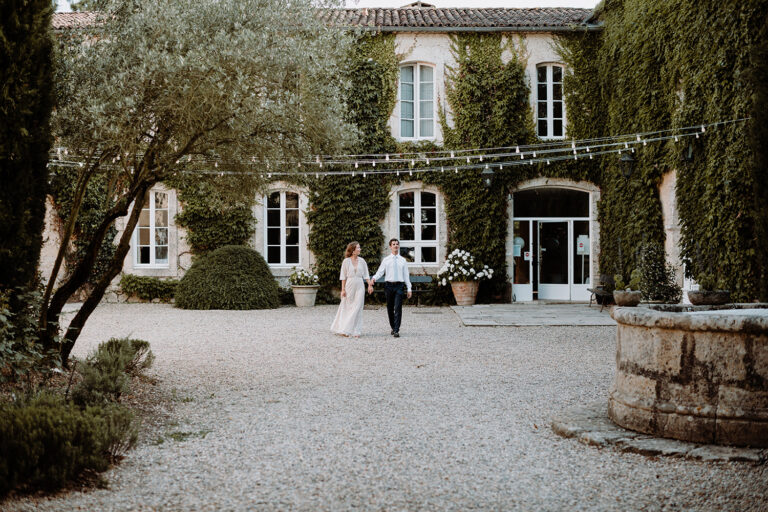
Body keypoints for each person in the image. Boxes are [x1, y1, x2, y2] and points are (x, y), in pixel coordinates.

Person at [369, 238, 411, 337]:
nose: (395, 245)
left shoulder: (403, 261)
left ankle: (396, 330)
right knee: (390, 308)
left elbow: (406, 276)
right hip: (389, 286)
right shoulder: (386, 260)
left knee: (398, 308)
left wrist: (409, 288)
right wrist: (374, 278)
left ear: (399, 246)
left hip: (399, 286)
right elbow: (380, 271)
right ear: (390, 247)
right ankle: (393, 327)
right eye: (393, 244)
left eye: (397, 244)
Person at [330, 241, 370, 338]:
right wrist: (343, 289)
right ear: (353, 250)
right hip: (349, 285)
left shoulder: (362, 261)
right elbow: (343, 276)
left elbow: (366, 275)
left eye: (359, 247)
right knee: (347, 306)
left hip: (360, 284)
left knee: (358, 307)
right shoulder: (346, 261)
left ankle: (356, 330)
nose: (360, 249)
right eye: (358, 248)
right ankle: (345, 328)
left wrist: (370, 285)